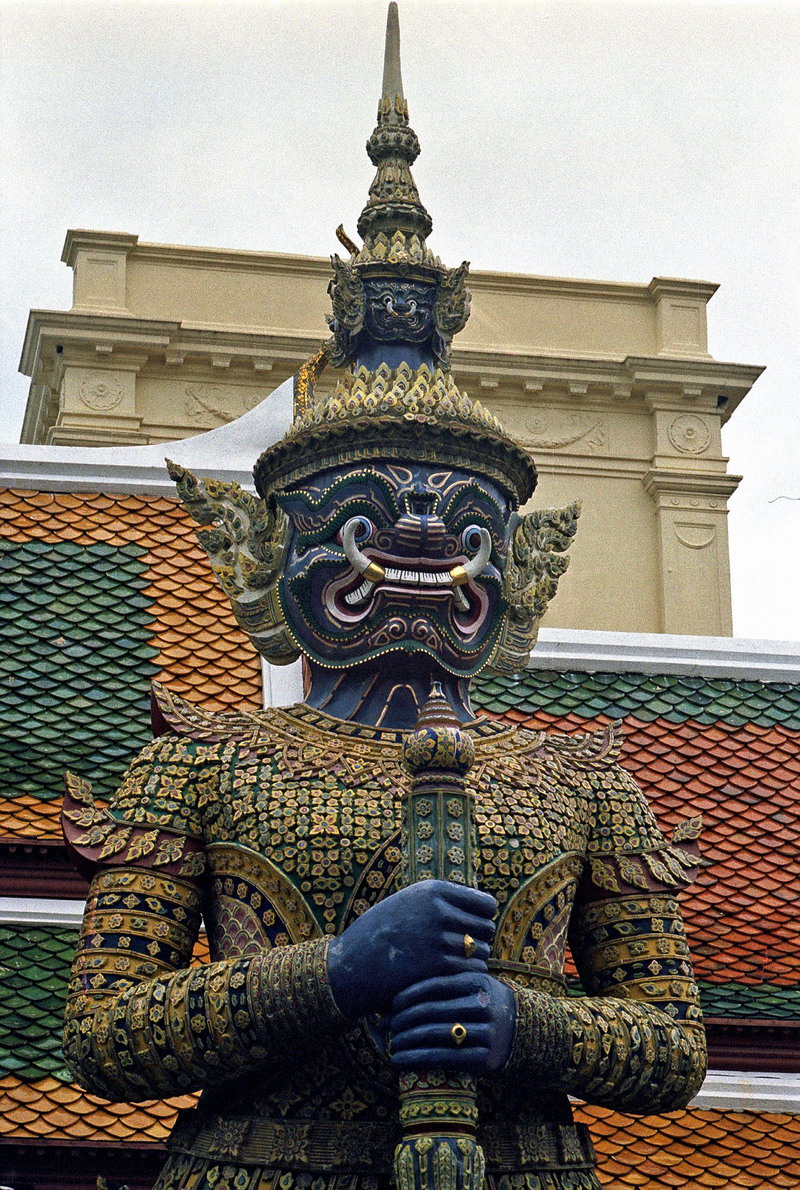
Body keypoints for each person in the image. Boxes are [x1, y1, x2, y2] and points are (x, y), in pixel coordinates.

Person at [62, 9, 706, 1190]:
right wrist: (339, 968)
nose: (417, 530)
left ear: (519, 557)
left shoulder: (581, 781)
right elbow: (106, 1038)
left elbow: (669, 1044)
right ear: (268, 546)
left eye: (461, 514)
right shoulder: (202, 767)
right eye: (366, 505)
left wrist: (520, 1021)